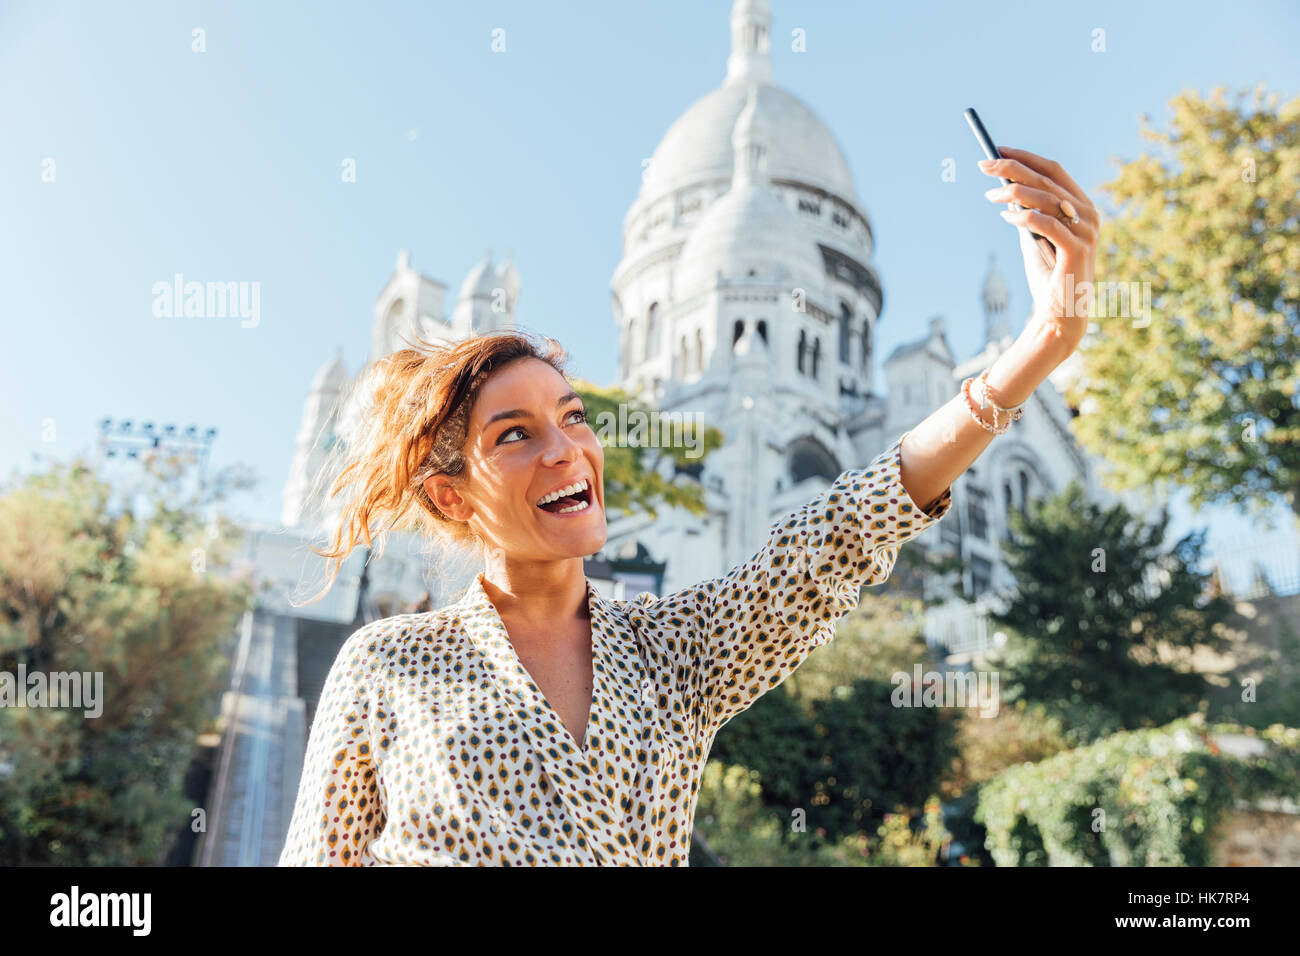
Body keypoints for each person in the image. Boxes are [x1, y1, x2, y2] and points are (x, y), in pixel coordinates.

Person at [277, 147, 1098, 865]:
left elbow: (848, 529)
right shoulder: (389, 665)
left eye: (573, 418)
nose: (567, 450)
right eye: (515, 435)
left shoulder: (674, 652)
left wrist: (1043, 341)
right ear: (450, 494)